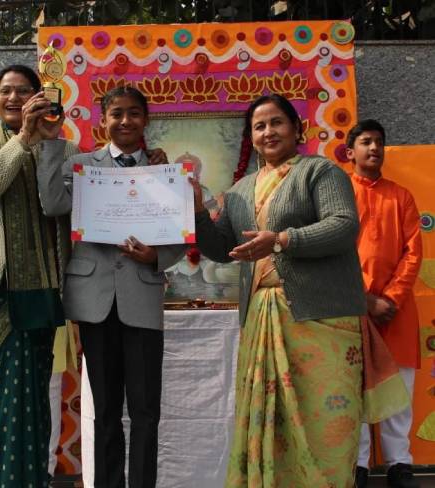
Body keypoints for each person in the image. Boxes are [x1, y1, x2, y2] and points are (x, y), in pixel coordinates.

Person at [190, 94, 367, 488]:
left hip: (321, 319)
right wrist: (198, 212)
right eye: (259, 126)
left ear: (296, 129)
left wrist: (282, 240)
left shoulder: (320, 172)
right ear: (251, 137)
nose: (268, 132)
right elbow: (221, 248)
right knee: (271, 423)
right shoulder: (241, 190)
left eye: (276, 123)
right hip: (262, 316)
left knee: (326, 426)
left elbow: (343, 225)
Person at [36, 86, 184, 488]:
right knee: (104, 410)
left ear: (146, 119)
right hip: (94, 301)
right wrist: (50, 143)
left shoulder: (163, 171)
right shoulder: (81, 165)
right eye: (116, 113)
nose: (125, 121)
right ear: (103, 121)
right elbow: (52, 205)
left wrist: (154, 257)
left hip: (142, 298)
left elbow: (177, 237)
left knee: (145, 411)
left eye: (134, 113)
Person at [0, 64, 78, 487]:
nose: (14, 98)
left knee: (30, 398)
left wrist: (48, 143)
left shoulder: (61, 148)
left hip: (38, 290)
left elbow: (58, 205)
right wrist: (23, 139)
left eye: (24, 91)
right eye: (5, 90)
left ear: (40, 97)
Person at [346, 120, 422, 488]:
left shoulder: (401, 196)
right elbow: (334, 254)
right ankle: (358, 464)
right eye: (366, 142)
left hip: (396, 311)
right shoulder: (340, 195)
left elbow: (413, 253)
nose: (374, 148)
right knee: (354, 387)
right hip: (351, 308)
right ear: (351, 152)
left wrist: (388, 299)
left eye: (379, 141)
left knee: (398, 389)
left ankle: (399, 465)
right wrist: (363, 300)